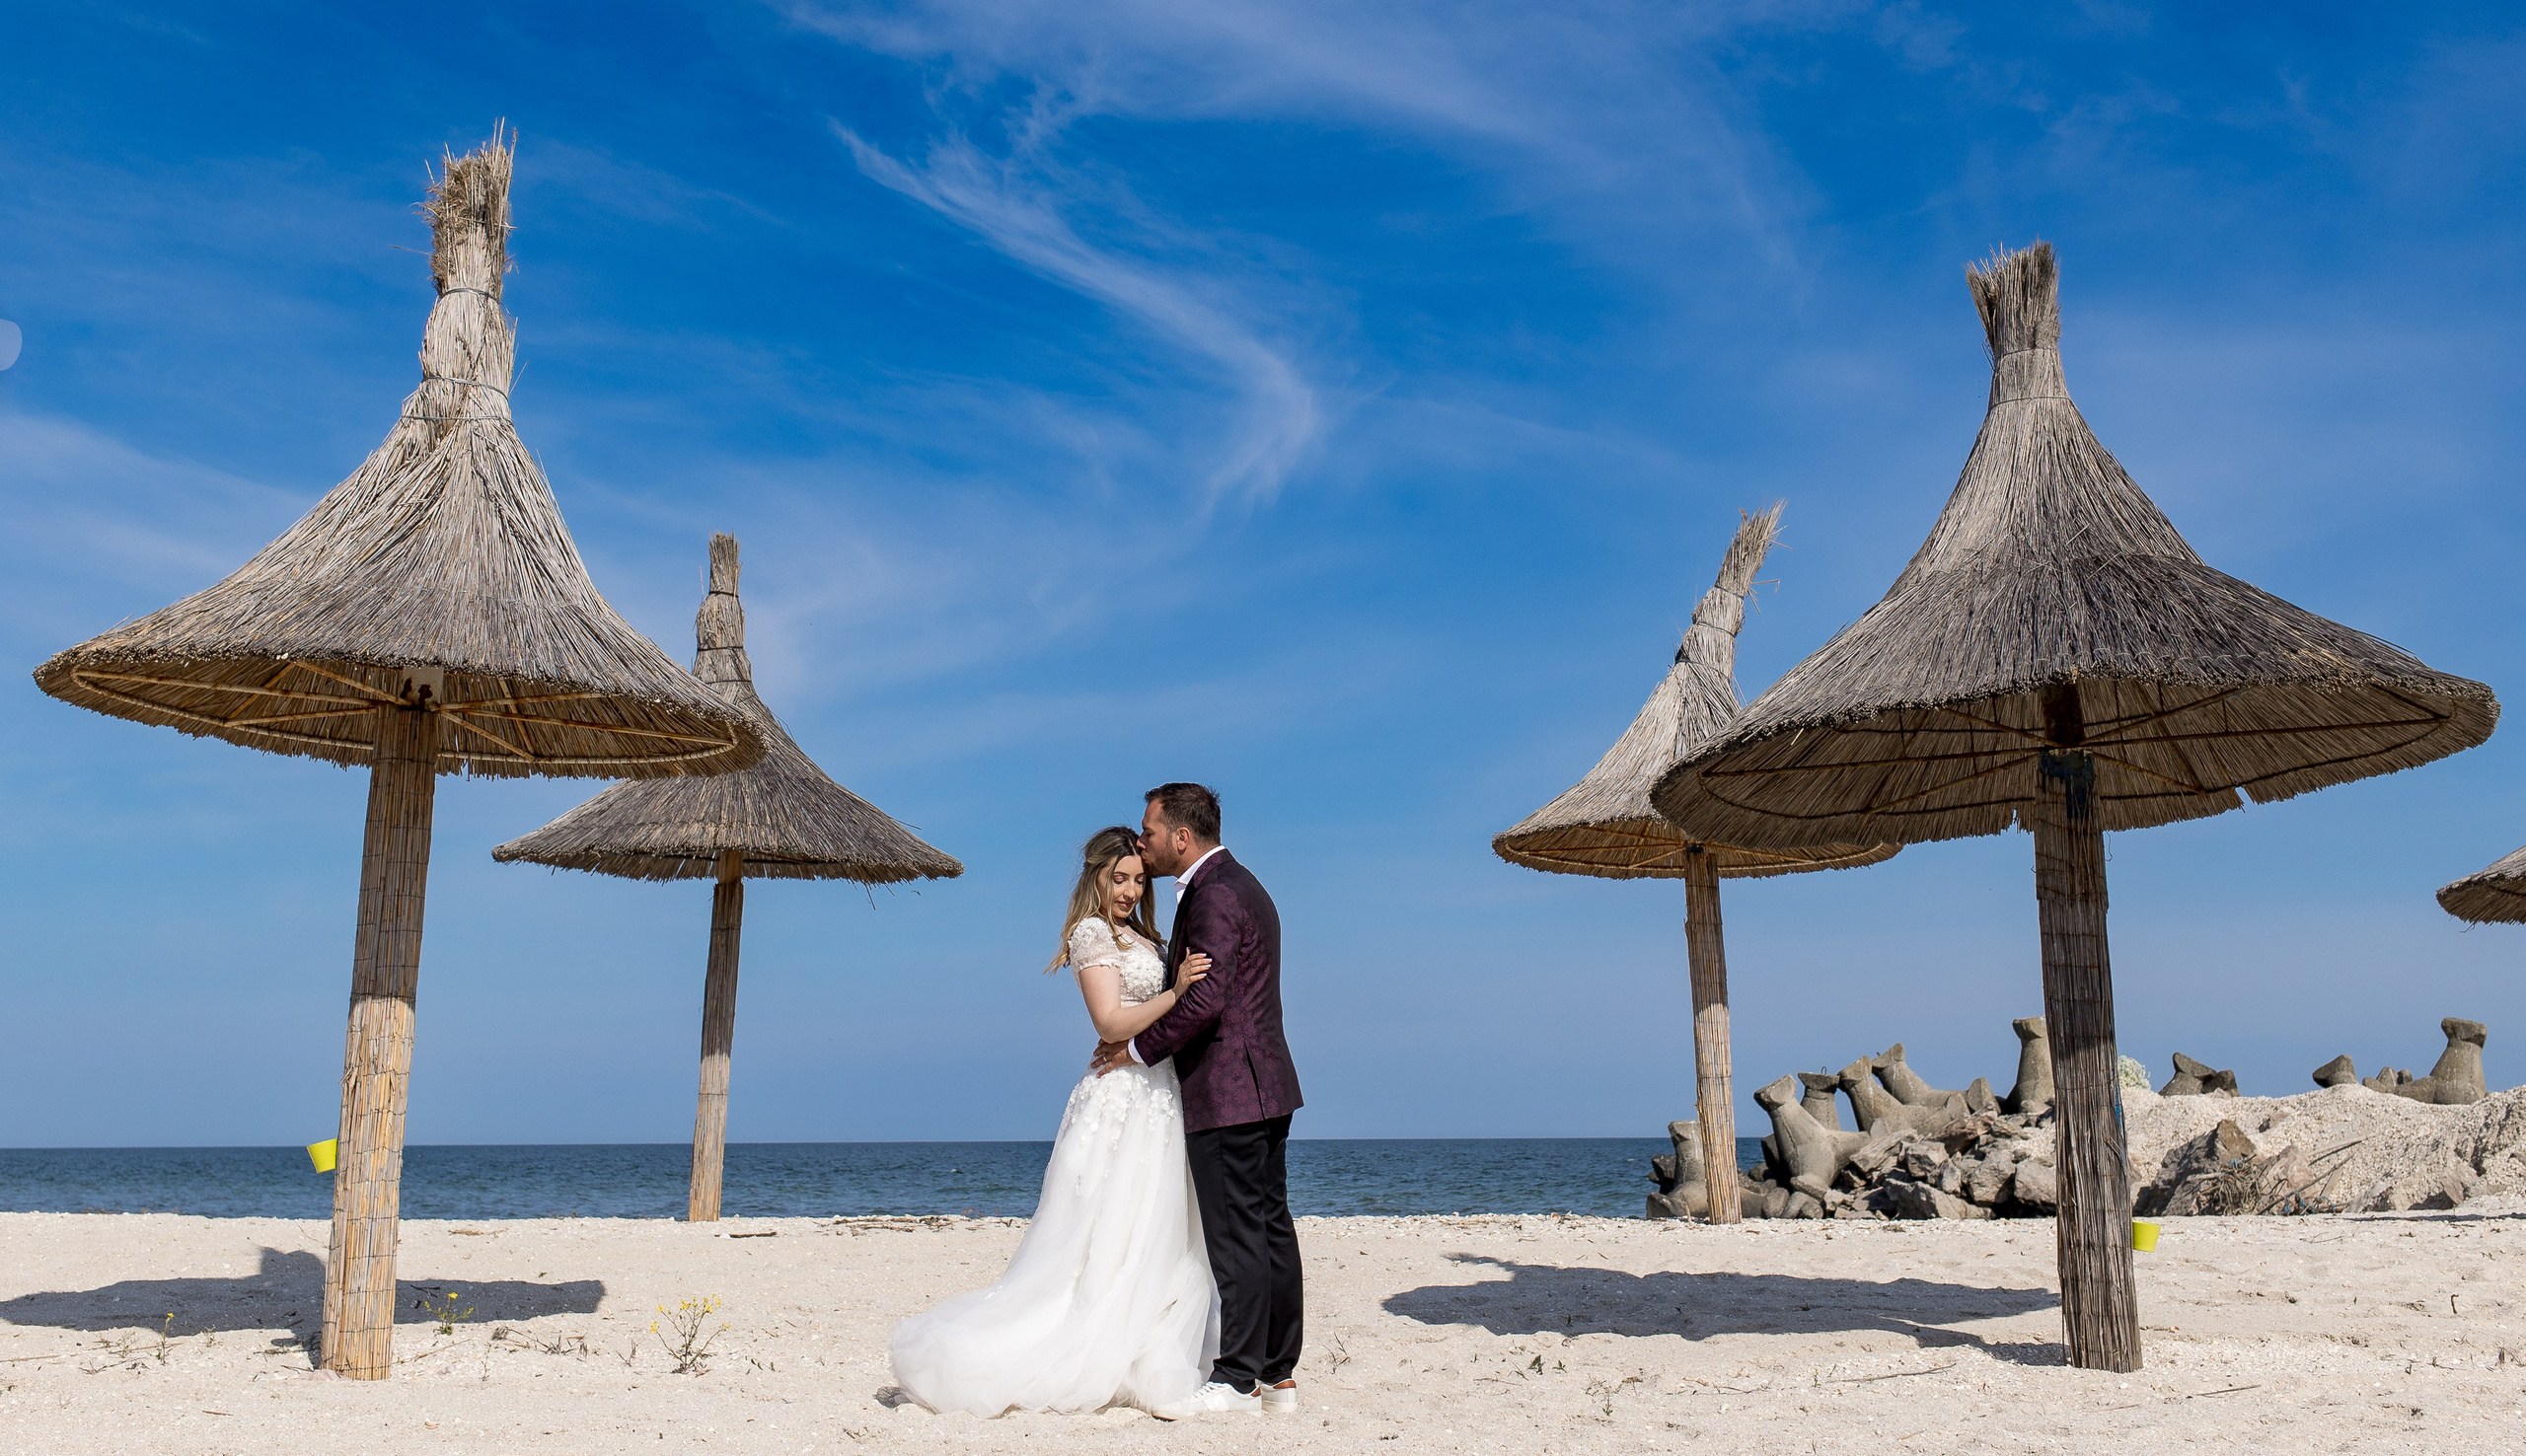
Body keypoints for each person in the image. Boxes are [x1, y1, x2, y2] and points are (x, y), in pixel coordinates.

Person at [887, 826, 1218, 1417]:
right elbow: (1111, 1024)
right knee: (1102, 1227)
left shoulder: (1144, 935)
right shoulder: (1091, 934)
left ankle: (1148, 1337)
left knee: (1157, 1223)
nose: (1128, 890)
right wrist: (1180, 992)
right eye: (1118, 878)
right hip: (1122, 1097)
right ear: (1094, 876)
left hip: (1160, 1095)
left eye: (1138, 880)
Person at [1092, 782, 1305, 1419]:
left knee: (1236, 1234)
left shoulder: (1212, 895)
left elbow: (1207, 1000)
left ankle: (1238, 1378)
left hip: (1228, 1089)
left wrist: (1134, 1052)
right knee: (1269, 1227)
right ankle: (1277, 1374)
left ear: (1182, 837)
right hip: (1267, 1083)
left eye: (1150, 832)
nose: (1142, 841)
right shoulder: (1246, 884)